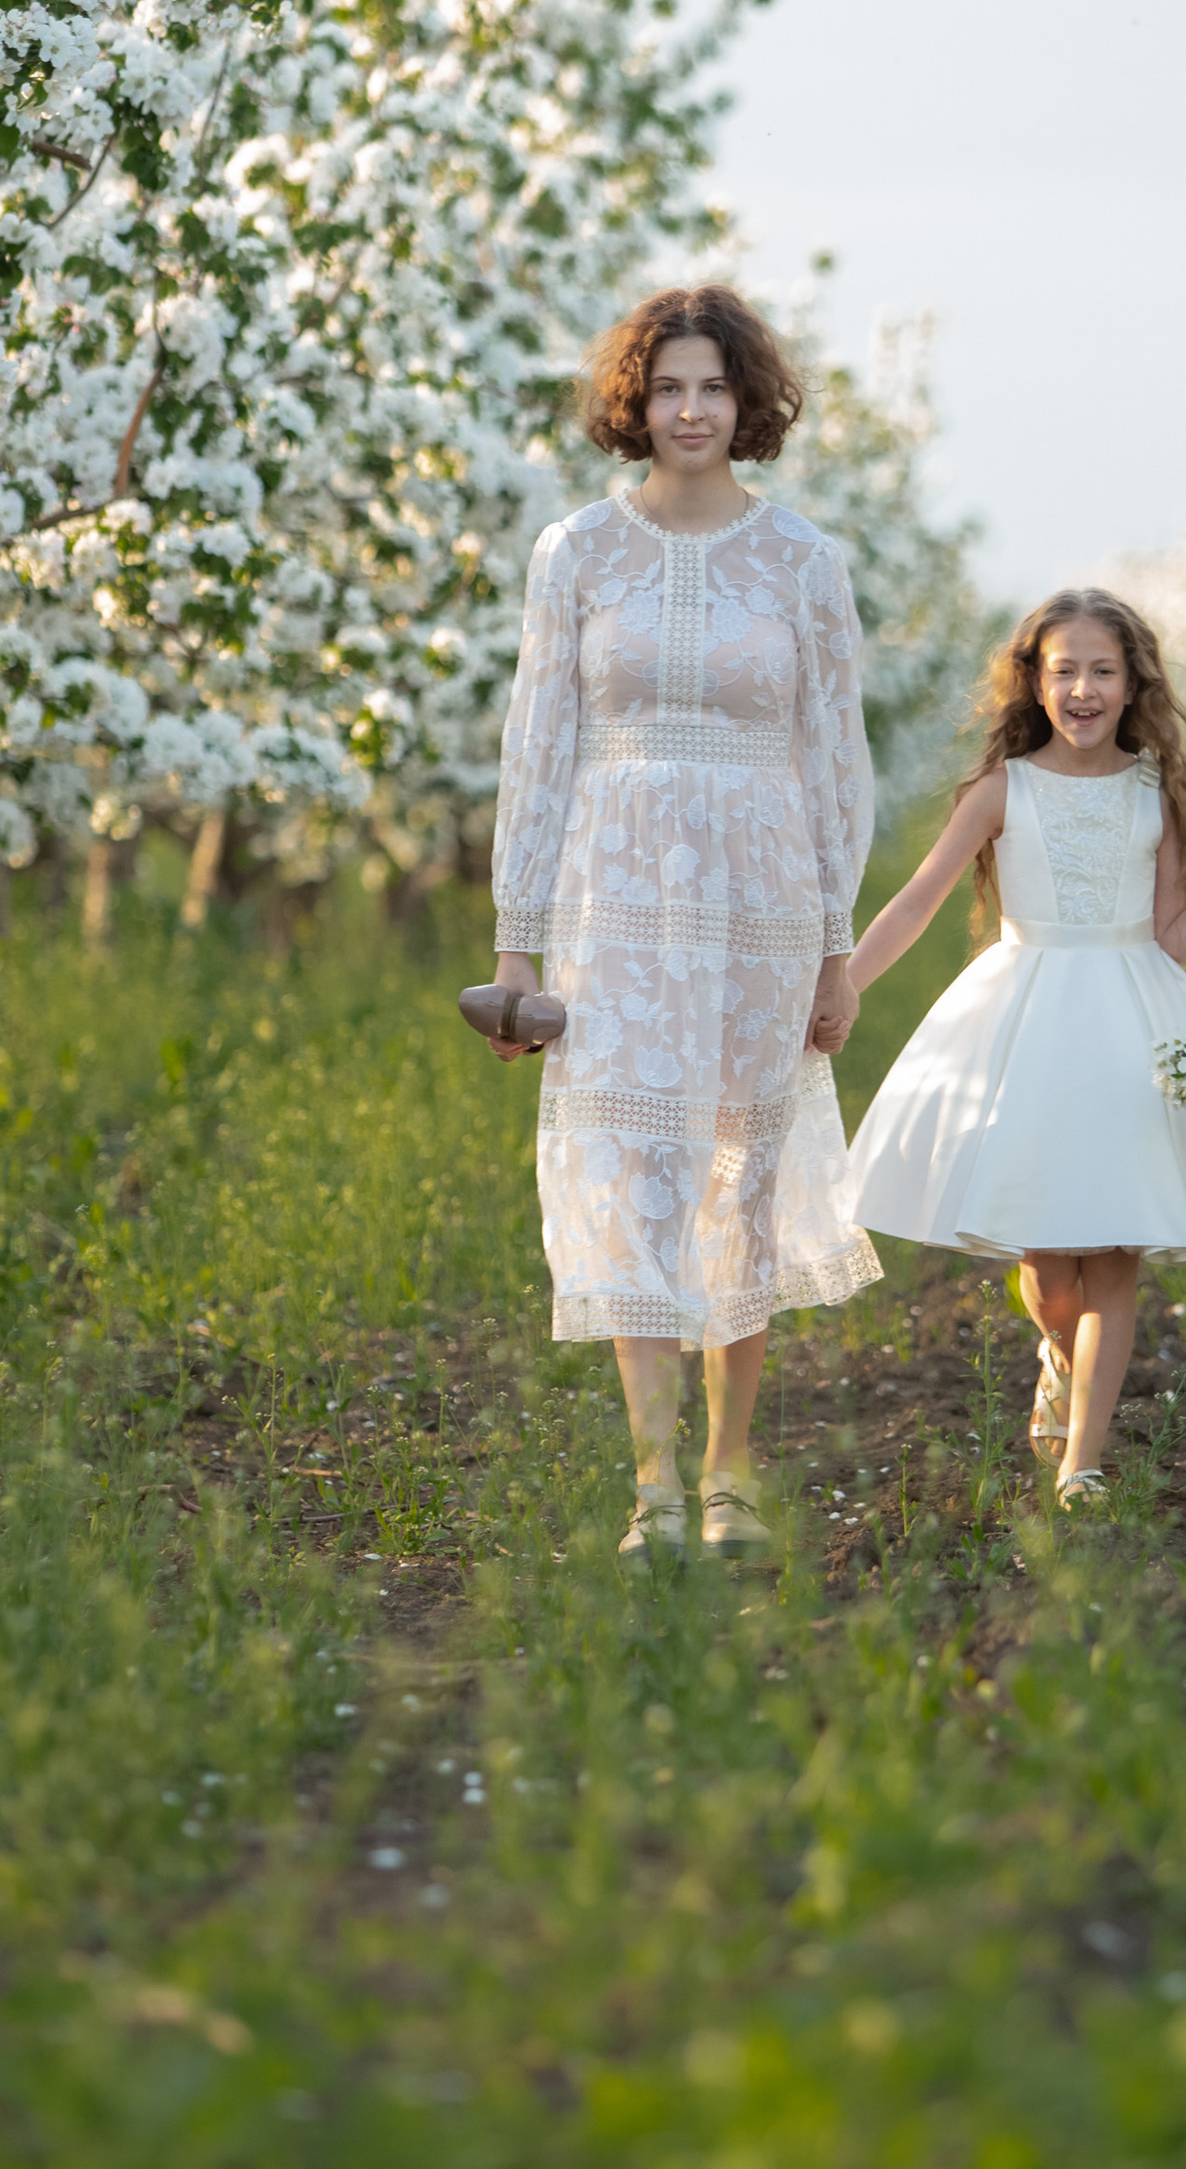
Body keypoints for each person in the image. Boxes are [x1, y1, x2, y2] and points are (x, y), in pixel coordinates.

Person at [487, 284, 880, 1563]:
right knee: (630, 1171)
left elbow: (834, 759)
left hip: (763, 900)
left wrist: (838, 943)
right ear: (633, 404)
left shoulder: (805, 563)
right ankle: (651, 1483)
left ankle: (727, 1474)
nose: (691, 410)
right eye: (668, 388)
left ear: (747, 400)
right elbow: (538, 747)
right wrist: (515, 939)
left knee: (738, 1173)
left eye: (713, 387)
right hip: (618, 900)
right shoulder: (577, 555)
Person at [840, 590, 1186, 1509]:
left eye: (1102, 672)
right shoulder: (1004, 790)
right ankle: (1056, 1352)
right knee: (1047, 1264)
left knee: (1115, 1252)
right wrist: (843, 981)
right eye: (1063, 670)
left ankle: (1084, 1459)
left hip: (1132, 1023)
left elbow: (1168, 937)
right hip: (1028, 1021)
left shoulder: (1154, 791)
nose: (1082, 688)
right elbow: (919, 899)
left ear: (1131, 686)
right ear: (1034, 683)